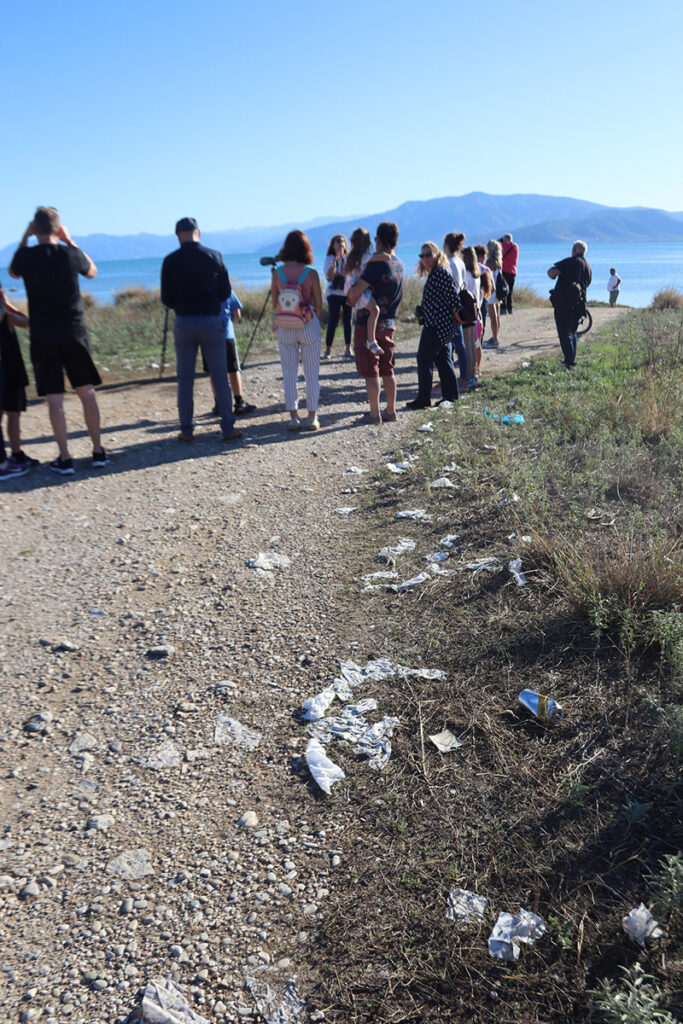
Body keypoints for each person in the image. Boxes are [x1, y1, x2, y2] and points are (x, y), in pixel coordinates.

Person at [9, 207, 109, 474]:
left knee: (54, 398)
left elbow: (13, 273)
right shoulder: (69, 253)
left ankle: (65, 457)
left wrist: (24, 238)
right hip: (74, 331)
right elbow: (92, 272)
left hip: (43, 334)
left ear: (34, 228)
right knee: (86, 390)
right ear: (58, 228)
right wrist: (70, 241)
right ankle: (98, 451)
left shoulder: (26, 256)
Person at [161, 217, 241, 444]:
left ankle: (186, 430)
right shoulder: (214, 256)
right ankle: (227, 427)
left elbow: (166, 298)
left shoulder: (170, 260)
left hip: (184, 322)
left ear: (178, 235)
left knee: (185, 379)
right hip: (211, 322)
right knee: (220, 376)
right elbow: (225, 291)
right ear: (199, 232)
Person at [347, 222, 404, 425]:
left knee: (371, 369)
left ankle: (374, 413)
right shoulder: (399, 264)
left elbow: (355, 292)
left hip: (368, 322)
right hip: (389, 322)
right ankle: (391, 410)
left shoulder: (375, 264)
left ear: (379, 240)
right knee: (388, 368)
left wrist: (351, 297)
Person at [270, 230, 323, 431]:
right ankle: (312, 416)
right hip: (308, 324)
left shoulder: (278, 274)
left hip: (285, 326)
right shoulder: (311, 273)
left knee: (289, 373)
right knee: (311, 373)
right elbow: (318, 303)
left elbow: (275, 303)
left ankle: (293, 417)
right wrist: (312, 318)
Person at [405, 242, 461, 409]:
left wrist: (458, 322)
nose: (425, 259)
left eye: (429, 255)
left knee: (423, 359)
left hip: (438, 325)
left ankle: (424, 399)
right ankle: (451, 397)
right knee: (443, 360)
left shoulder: (441, 272)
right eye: (422, 256)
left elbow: (454, 299)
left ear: (437, 255)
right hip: (437, 324)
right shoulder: (435, 273)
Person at [0, 282, 38, 467]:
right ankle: (16, 453)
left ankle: (4, 455)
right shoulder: (7, 317)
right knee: (13, 414)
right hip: (11, 368)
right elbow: (26, 321)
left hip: (7, 368)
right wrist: (7, 304)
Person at [203, 291, 256, 416]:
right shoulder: (227, 291)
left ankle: (219, 404)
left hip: (207, 336)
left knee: (214, 372)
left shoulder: (199, 291)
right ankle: (239, 402)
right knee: (233, 370)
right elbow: (237, 314)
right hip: (226, 335)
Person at [547, 240, 592, 368]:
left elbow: (551, 273)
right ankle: (571, 358)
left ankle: (569, 361)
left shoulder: (569, 262)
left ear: (573, 250)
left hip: (564, 302)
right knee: (573, 331)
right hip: (579, 304)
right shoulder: (588, 267)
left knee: (564, 332)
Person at [343, 229, 382, 356]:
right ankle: (371, 340)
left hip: (349, 287)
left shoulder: (347, 257)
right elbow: (384, 257)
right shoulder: (364, 257)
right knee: (375, 310)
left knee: (370, 310)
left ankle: (370, 340)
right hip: (358, 288)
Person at [443, 233, 468, 385]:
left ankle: (454, 379)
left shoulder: (449, 263)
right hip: (460, 304)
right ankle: (462, 377)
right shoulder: (460, 262)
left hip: (451, 307)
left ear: (446, 245)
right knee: (459, 343)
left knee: (452, 344)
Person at [322, 235, 352, 359]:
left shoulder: (349, 258)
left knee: (348, 320)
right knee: (333, 320)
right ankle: (328, 350)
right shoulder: (329, 258)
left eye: (343, 241)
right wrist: (335, 261)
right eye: (338, 241)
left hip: (346, 292)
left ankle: (348, 349)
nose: (341, 243)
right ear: (333, 245)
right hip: (333, 293)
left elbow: (351, 274)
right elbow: (329, 276)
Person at [461, 247, 483, 390]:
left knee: (468, 345)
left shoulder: (467, 275)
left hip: (467, 313)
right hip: (475, 312)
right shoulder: (477, 275)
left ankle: (468, 376)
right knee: (473, 346)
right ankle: (473, 374)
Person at [482, 240, 503, 349]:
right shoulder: (498, 261)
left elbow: (486, 276)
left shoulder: (489, 261)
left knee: (492, 315)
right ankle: (495, 337)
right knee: (497, 315)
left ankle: (495, 340)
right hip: (497, 291)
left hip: (491, 290)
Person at [500, 233, 519, 314]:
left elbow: (496, 243)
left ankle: (503, 308)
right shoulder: (516, 247)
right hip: (513, 271)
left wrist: (501, 239)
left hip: (505, 270)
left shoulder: (504, 245)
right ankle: (510, 308)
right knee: (510, 291)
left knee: (503, 290)